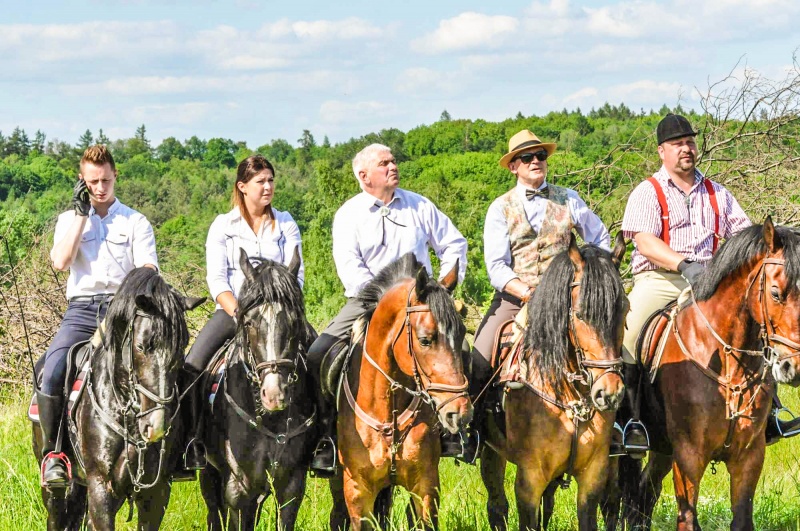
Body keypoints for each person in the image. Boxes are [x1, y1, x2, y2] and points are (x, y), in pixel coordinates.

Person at [306, 143, 468, 475]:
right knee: (318, 354)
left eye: (393, 160)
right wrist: (382, 301)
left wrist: (441, 288)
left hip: (420, 302)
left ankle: (455, 432)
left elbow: (454, 244)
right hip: (367, 302)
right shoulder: (348, 214)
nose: (393, 166)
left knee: (460, 348)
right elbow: (349, 265)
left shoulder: (419, 205)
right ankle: (326, 437)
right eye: (384, 163)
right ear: (364, 176)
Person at [619, 113, 755, 455]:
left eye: (690, 142)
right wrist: (683, 264)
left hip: (711, 281)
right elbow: (645, 242)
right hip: (660, 278)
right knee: (627, 337)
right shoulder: (648, 191)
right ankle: (629, 421)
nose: (686, 149)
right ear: (662, 151)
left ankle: (771, 413)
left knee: (759, 323)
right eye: (678, 144)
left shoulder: (718, 192)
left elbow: (745, 236)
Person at [469, 129, 611, 451]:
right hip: (517, 298)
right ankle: (472, 432)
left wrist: (592, 276)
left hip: (569, 297)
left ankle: (621, 427)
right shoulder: (499, 208)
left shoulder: (569, 198)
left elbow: (600, 238)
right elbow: (496, 267)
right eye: (527, 157)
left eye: (541, 156)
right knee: (480, 356)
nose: (536, 161)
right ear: (513, 167)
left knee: (614, 352)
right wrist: (527, 293)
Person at [38, 145, 159, 487]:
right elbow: (60, 262)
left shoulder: (135, 221)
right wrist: (81, 215)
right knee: (53, 368)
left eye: (105, 180)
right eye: (93, 182)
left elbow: (149, 269)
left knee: (162, 364)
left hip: (125, 309)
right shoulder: (68, 219)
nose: (100, 187)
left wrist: (127, 301)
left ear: (115, 176)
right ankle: (54, 455)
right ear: (82, 180)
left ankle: (175, 450)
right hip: (81, 309)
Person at [181, 155, 305, 471]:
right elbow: (217, 280)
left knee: (318, 359)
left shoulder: (286, 223)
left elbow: (297, 275)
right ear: (242, 186)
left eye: (271, 180)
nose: (268, 186)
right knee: (192, 366)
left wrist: (281, 306)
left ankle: (323, 440)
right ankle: (191, 442)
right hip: (234, 311)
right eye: (260, 181)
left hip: (280, 312)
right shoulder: (223, 226)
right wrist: (240, 312)